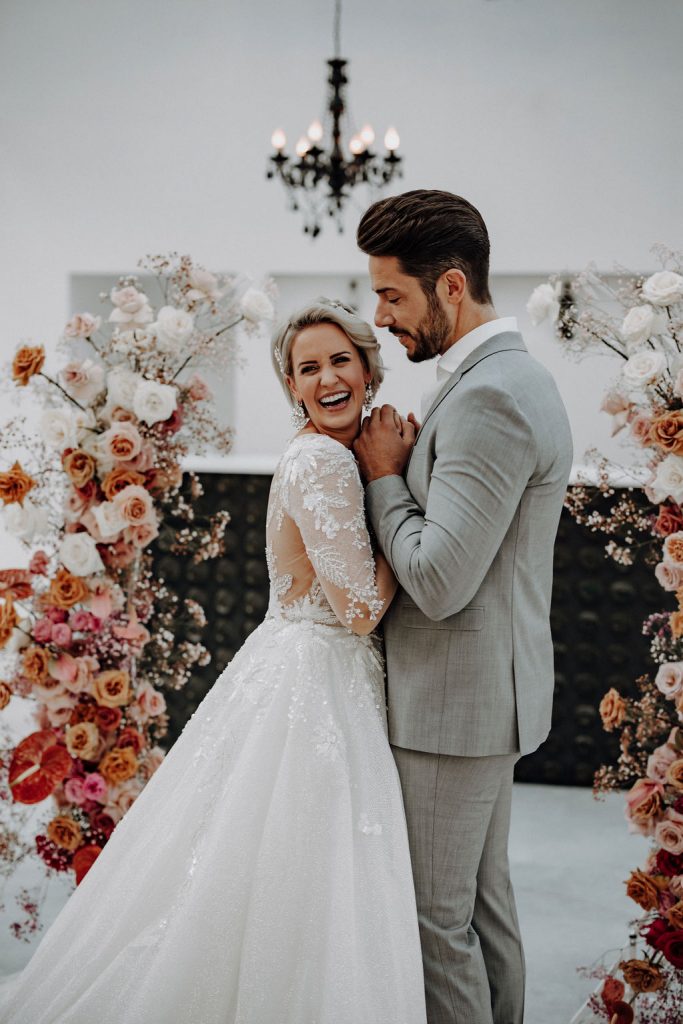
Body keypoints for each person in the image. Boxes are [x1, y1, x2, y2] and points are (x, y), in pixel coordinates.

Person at [0, 299, 427, 1024]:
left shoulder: (321, 452)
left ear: (369, 369)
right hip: (319, 681)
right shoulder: (325, 460)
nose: (327, 379)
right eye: (308, 368)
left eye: (340, 361)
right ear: (291, 385)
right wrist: (397, 490)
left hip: (298, 667)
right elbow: (358, 609)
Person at [353, 189, 573, 1024]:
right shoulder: (506, 377)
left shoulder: (490, 395)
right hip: (480, 697)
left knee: (432, 923)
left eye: (391, 295)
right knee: (482, 910)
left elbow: (438, 580)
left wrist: (383, 475)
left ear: (450, 286)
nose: (379, 317)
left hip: (453, 706)